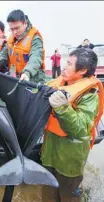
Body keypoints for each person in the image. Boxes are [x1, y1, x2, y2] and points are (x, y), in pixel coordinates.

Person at [41, 48, 104, 202]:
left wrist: (63, 107)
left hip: (69, 159)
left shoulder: (89, 95)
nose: (63, 66)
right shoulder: (58, 83)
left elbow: (81, 128)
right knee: (48, 194)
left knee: (69, 195)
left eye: (69, 64)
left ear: (82, 70)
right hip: (49, 153)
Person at [0, 9, 46, 83]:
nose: (14, 32)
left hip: (32, 80)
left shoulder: (35, 38)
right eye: (11, 29)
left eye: (17, 28)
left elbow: (36, 57)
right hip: (16, 78)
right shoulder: (11, 38)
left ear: (25, 23)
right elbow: (4, 53)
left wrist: (27, 73)